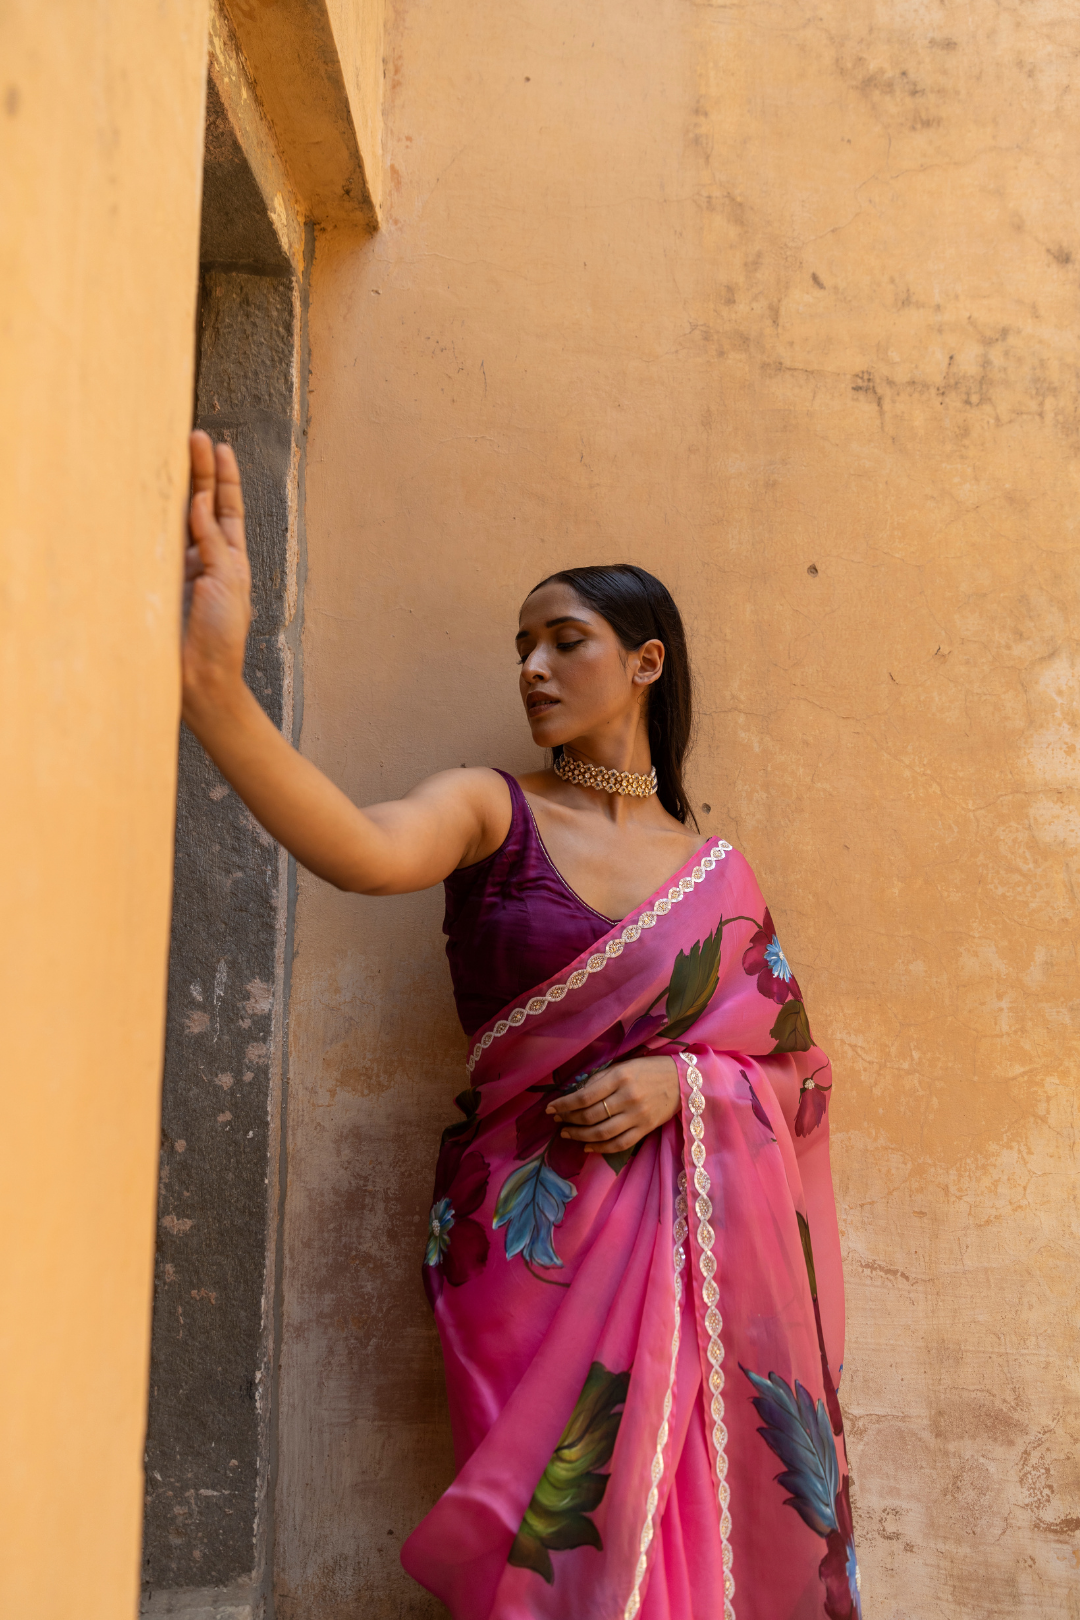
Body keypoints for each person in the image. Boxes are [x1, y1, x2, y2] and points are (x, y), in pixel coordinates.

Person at [182, 430, 861, 1620]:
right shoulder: (486, 807)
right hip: (531, 1255)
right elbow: (357, 850)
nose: (533, 670)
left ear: (646, 663)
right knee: (543, 1549)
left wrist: (688, 1089)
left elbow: (796, 1082)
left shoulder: (720, 877)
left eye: (565, 641)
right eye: (522, 649)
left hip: (688, 1252)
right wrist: (215, 692)